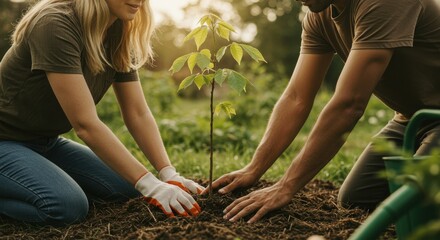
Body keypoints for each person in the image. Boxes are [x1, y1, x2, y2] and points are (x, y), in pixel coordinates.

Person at [206, 0, 440, 223]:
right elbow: (297, 97)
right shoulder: (319, 16)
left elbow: (349, 105)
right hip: (410, 119)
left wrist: (286, 186)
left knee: (419, 202)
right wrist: (254, 168)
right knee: (356, 199)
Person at [0, 0, 204, 226]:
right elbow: (85, 125)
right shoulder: (55, 23)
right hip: (4, 139)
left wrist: (168, 174)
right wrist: (151, 185)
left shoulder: (119, 29)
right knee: (66, 206)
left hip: (46, 142)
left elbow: (137, 113)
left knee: (129, 189)